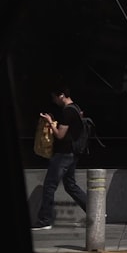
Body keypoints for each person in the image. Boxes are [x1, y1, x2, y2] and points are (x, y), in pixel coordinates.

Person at [31, 86, 89, 230]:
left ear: (61, 95)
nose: (54, 100)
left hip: (64, 153)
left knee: (50, 185)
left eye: (54, 97)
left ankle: (45, 220)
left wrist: (50, 121)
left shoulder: (67, 111)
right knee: (70, 185)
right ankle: (96, 211)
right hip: (73, 153)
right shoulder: (76, 107)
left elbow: (60, 135)